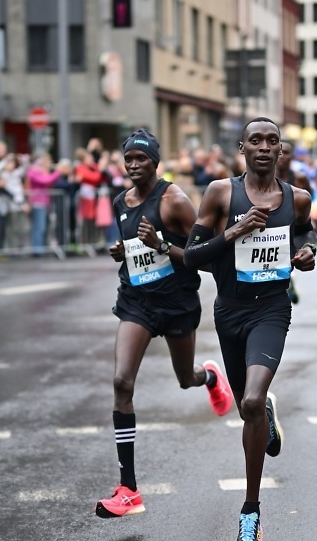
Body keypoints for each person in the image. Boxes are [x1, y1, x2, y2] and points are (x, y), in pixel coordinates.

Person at [184, 117, 316, 541]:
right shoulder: (222, 193)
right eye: (255, 140)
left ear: (281, 149)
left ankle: (251, 515)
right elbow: (191, 257)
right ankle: (265, 414)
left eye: (271, 141)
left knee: (251, 402)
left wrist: (306, 254)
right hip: (230, 312)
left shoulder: (298, 198)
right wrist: (233, 232)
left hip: (272, 310)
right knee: (249, 406)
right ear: (242, 147)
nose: (264, 147)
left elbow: (304, 236)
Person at [95, 128, 234, 519]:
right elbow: (133, 250)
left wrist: (160, 244)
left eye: (142, 159)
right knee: (122, 382)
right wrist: (122, 251)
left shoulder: (174, 201)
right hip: (136, 301)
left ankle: (207, 377)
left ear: (155, 162)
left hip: (176, 303)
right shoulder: (121, 200)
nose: (134, 165)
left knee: (183, 378)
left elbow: (204, 256)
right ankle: (129, 489)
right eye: (129, 160)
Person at [275, 139, 313, 304]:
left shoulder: (300, 178)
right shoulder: (265, 179)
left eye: (287, 152)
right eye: (280, 151)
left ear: (293, 156)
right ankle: (288, 283)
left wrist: (310, 221)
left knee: (292, 257)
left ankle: (289, 282)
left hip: (295, 227)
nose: (283, 156)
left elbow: (308, 202)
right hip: (275, 229)